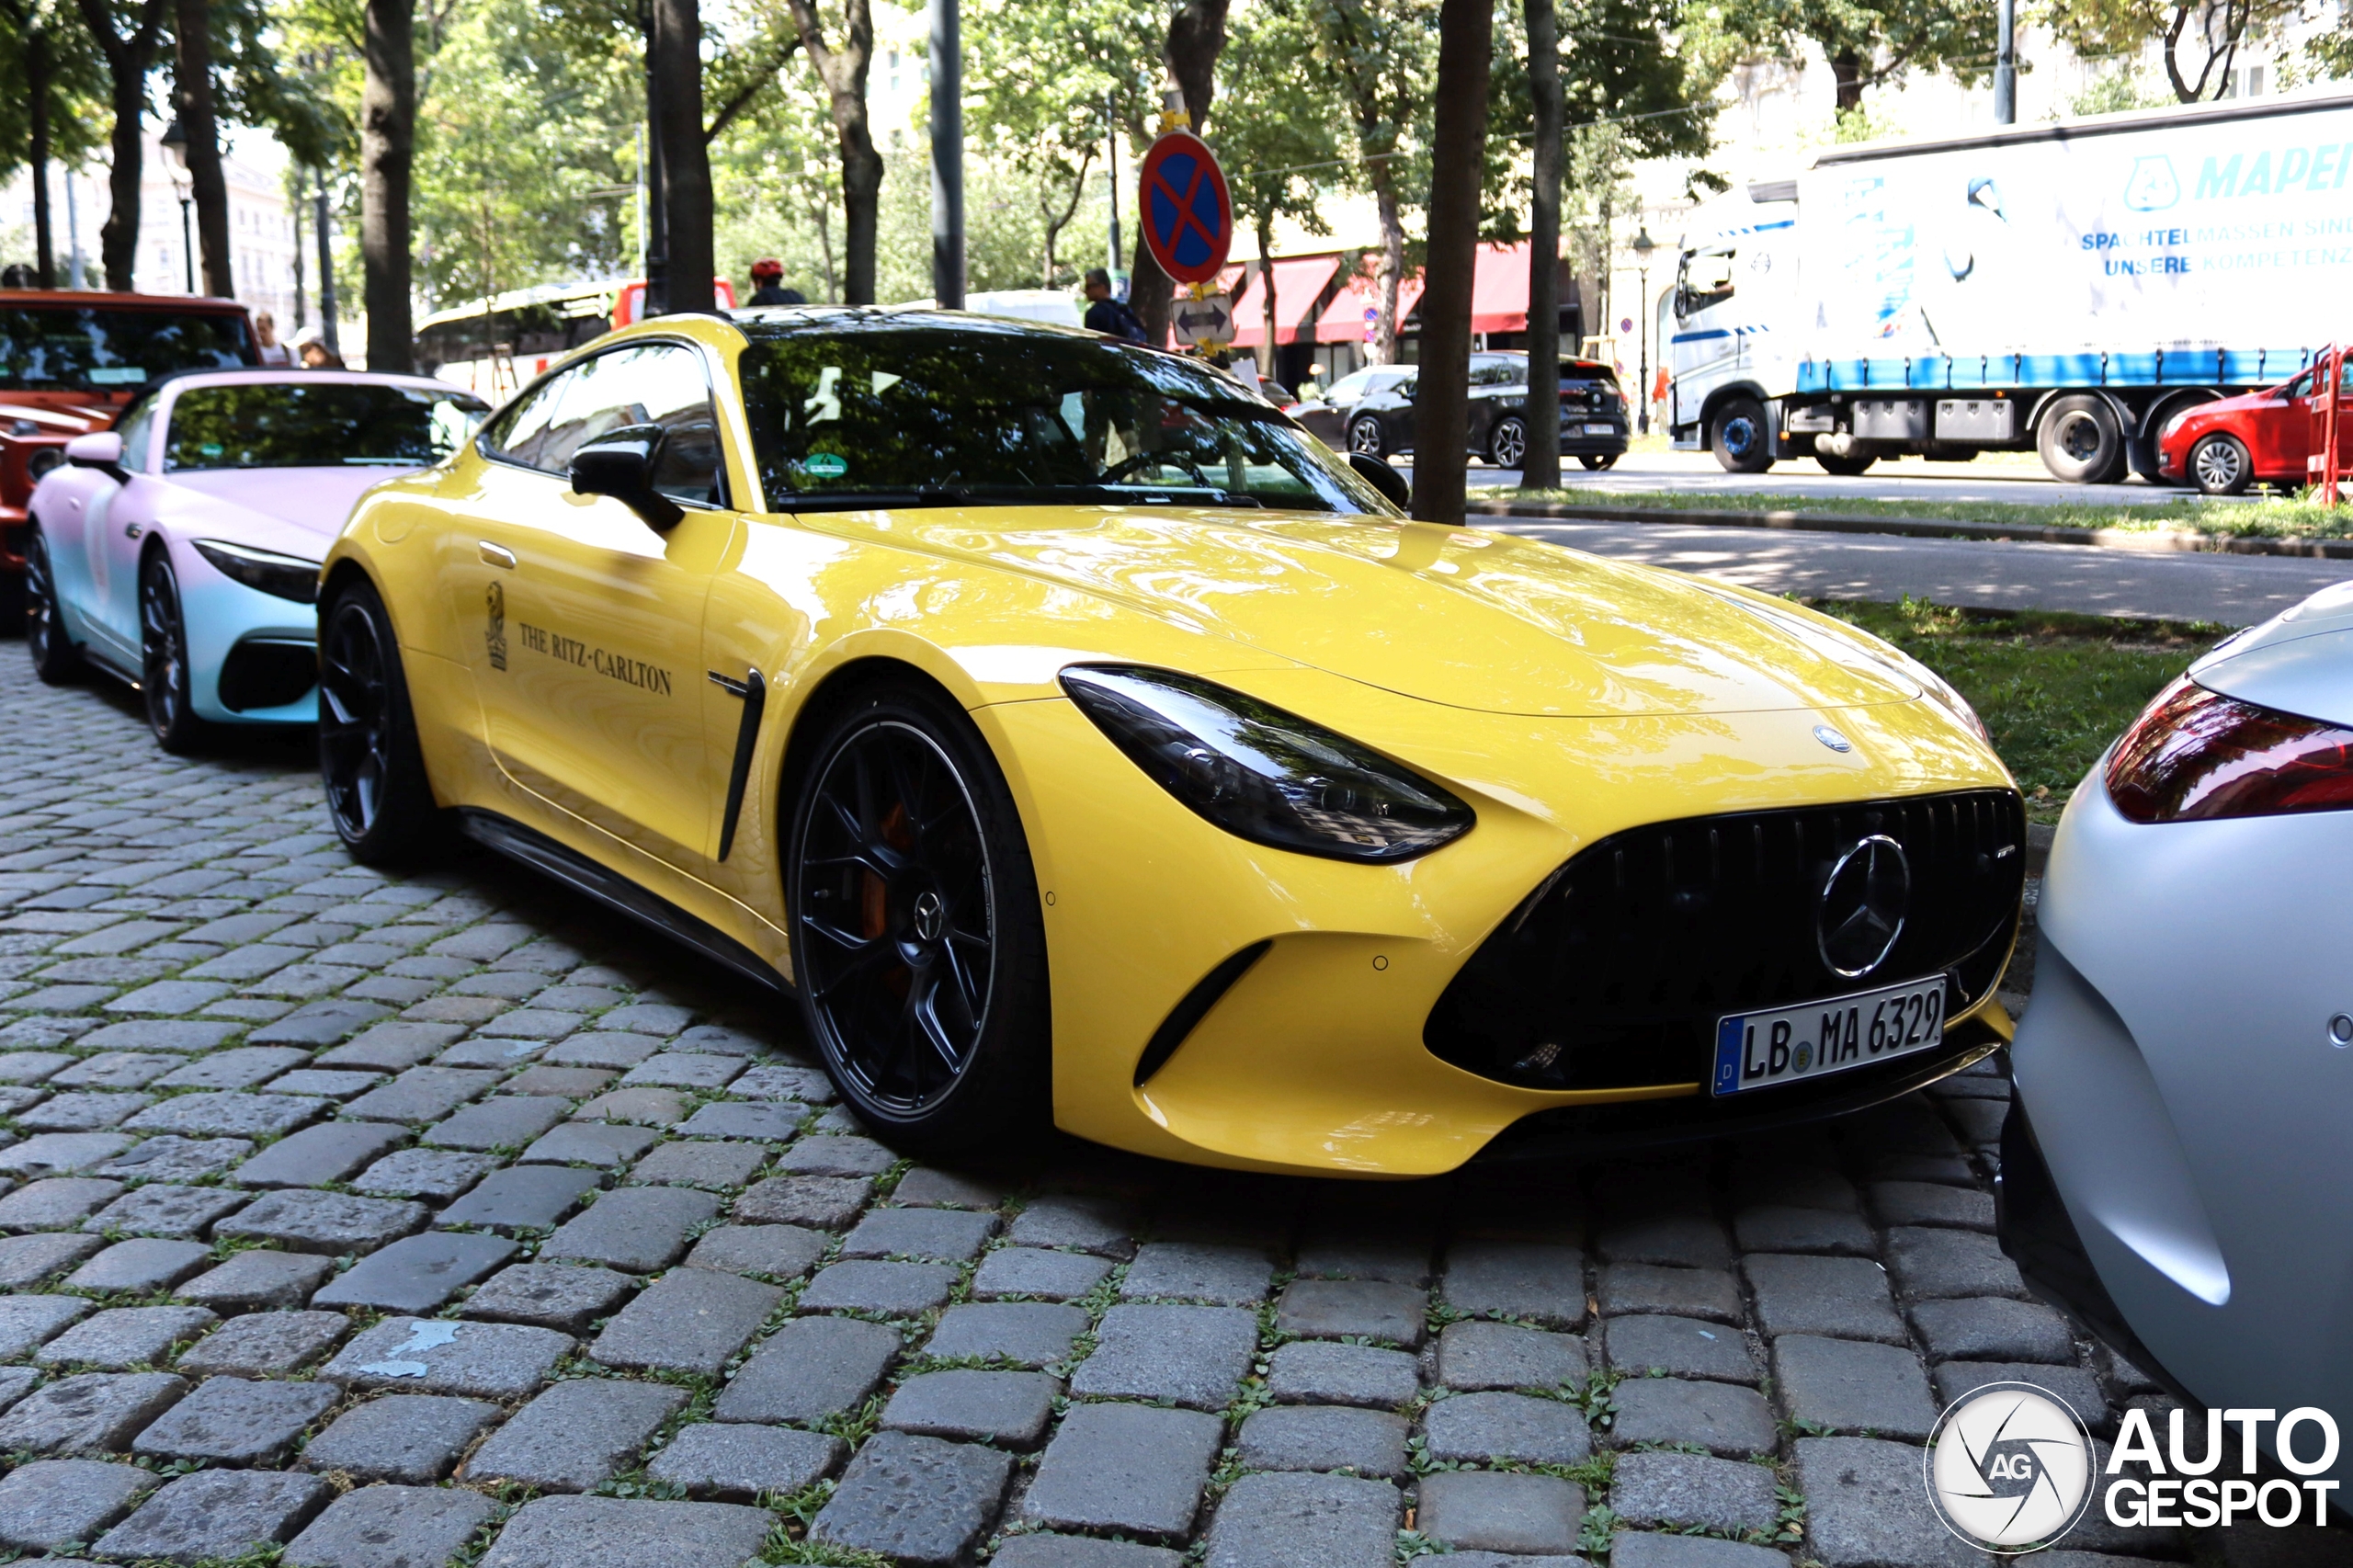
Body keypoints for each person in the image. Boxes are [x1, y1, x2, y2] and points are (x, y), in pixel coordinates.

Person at [1082, 268, 1147, 343]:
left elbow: (1093, 345)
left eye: (1088, 287)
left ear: (1101, 287)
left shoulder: (1094, 313)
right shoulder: (1124, 310)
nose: (1085, 291)